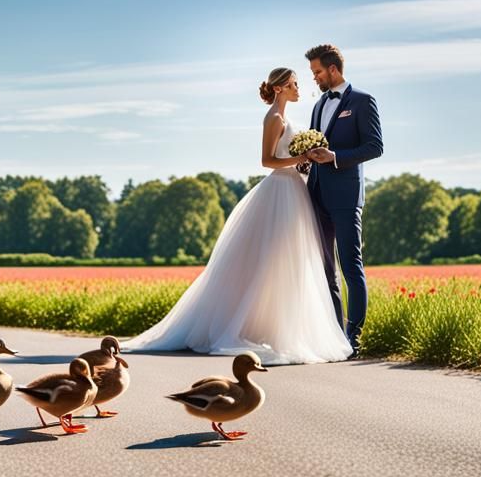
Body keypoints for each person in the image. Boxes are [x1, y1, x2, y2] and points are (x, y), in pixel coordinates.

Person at [124, 66, 353, 364]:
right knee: (271, 261)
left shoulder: (286, 118)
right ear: (281, 87)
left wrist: (302, 163)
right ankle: (249, 327)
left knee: (289, 263)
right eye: (295, 84)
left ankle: (278, 328)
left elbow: (284, 159)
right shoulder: (273, 118)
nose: (300, 89)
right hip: (279, 193)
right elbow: (267, 160)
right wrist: (303, 157)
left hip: (295, 190)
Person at [302, 44, 383, 357]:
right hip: (317, 194)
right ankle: (335, 338)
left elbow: (375, 146)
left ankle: (354, 339)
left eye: (318, 72)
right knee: (326, 270)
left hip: (346, 197)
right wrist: (305, 160)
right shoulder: (319, 103)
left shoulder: (363, 101)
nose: (315, 78)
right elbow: (314, 140)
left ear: (333, 69)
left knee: (351, 267)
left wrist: (335, 157)